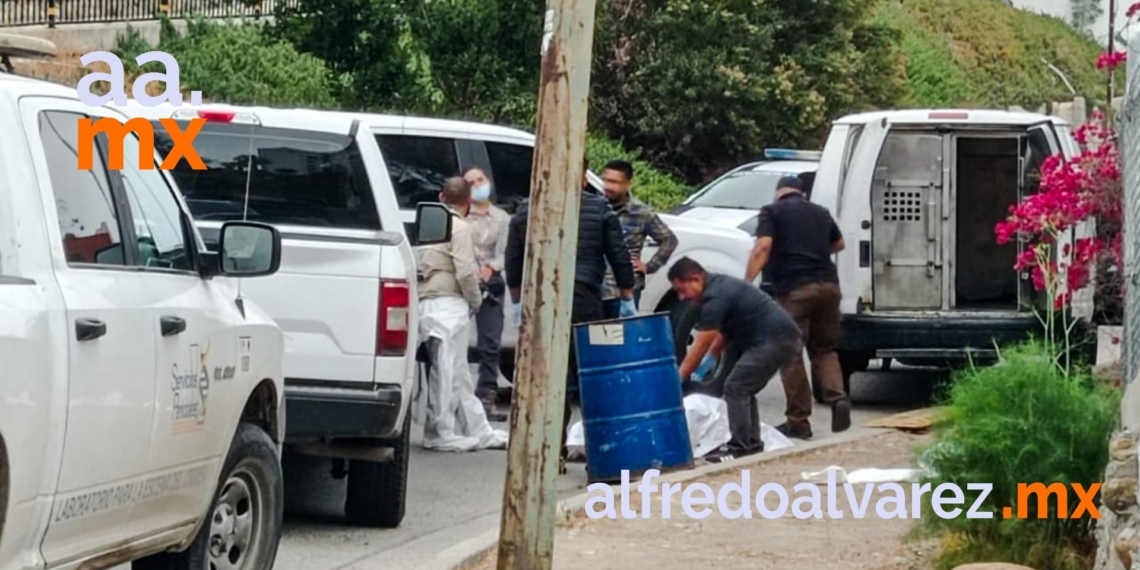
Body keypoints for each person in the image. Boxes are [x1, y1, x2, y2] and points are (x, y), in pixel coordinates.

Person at [504, 157, 637, 473]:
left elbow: (513, 258)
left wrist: (515, 301)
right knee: (589, 377)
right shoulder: (599, 208)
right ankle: (603, 454)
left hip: (541, 301)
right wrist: (627, 295)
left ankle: (550, 452)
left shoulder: (527, 209)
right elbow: (618, 255)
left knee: (546, 378)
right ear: (582, 178)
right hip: (584, 300)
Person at [744, 175, 850, 440]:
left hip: (796, 289)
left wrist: (747, 282)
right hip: (829, 287)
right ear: (801, 193)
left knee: (790, 353)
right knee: (824, 348)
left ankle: (798, 422)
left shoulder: (772, 211)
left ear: (778, 193)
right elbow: (839, 244)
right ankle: (838, 397)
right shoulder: (820, 212)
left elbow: (763, 246)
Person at [670, 257, 801, 463]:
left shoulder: (715, 297)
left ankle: (741, 446)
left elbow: (700, 344)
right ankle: (751, 442)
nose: (680, 297)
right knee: (744, 388)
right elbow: (724, 331)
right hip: (779, 338)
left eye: (681, 289)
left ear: (695, 278)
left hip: (774, 340)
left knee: (736, 387)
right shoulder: (718, 287)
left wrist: (678, 378)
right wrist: (713, 355)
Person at [415, 177, 508, 452]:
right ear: (468, 202)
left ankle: (477, 429)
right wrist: (476, 300)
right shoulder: (459, 227)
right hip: (450, 303)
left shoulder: (430, 223)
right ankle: (439, 431)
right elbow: (466, 271)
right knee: (448, 372)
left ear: (441, 197)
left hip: (429, 300)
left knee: (454, 372)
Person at [599, 159, 678, 319]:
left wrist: (649, 267)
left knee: (623, 338)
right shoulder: (596, 205)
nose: (608, 186)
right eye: (606, 180)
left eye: (614, 182)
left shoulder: (641, 212)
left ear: (628, 184)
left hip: (624, 291)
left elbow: (669, 240)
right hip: (596, 287)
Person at [462, 165, 511, 422]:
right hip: (463, 281)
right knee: (455, 341)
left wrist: (492, 267)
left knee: (490, 343)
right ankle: (456, 399)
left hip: (490, 284)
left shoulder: (501, 218)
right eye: (471, 182)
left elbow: (505, 253)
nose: (478, 185)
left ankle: (487, 396)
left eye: (480, 179)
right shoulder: (460, 216)